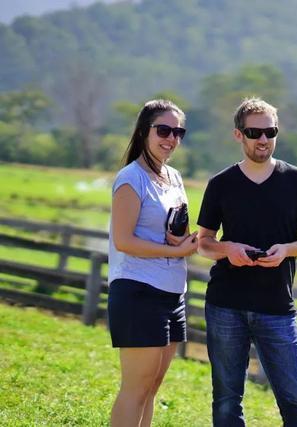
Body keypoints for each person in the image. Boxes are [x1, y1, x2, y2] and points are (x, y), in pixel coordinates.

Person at [196, 97, 297, 426]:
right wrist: (229, 249)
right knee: (226, 400)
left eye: (270, 131)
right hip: (226, 305)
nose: (263, 139)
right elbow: (204, 243)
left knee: (295, 401)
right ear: (238, 135)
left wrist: (286, 249)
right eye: (255, 132)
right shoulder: (220, 184)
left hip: (277, 306)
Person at [107, 99, 198, 426]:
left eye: (178, 132)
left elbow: (177, 231)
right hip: (138, 291)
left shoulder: (173, 177)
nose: (171, 138)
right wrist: (175, 252)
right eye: (164, 130)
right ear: (145, 131)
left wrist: (185, 241)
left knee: (152, 387)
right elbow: (124, 240)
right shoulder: (131, 178)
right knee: (135, 388)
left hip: (172, 293)